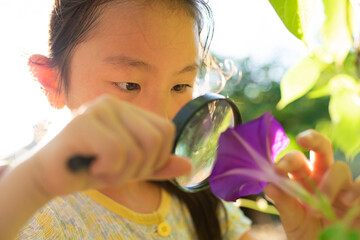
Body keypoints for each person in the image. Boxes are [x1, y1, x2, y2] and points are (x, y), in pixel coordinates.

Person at [0, 0, 357, 239]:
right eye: (129, 84)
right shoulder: (33, 213)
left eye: (181, 85)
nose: (163, 117)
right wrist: (32, 185)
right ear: (51, 82)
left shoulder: (204, 206)